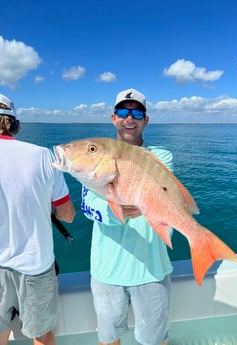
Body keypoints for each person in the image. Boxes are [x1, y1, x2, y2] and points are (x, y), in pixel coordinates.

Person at [81, 88, 173, 345]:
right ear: (113, 117)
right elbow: (88, 206)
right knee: (109, 340)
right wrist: (117, 211)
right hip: (107, 271)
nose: (129, 118)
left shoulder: (162, 156)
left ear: (146, 119)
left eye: (136, 112)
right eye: (123, 111)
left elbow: (161, 194)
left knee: (155, 341)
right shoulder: (95, 159)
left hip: (152, 269)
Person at [0, 94, 76, 345]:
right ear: (14, 122)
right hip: (36, 266)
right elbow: (68, 214)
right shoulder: (43, 155)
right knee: (41, 335)